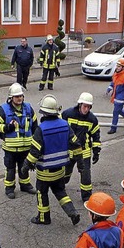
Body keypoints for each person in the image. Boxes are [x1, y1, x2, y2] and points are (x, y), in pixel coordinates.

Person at [20, 95, 82, 225]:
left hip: (45, 172)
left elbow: (34, 152)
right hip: (60, 170)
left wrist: (26, 165)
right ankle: (72, 213)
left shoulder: (41, 129)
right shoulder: (65, 125)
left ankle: (43, 218)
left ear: (43, 112)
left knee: (41, 193)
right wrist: (77, 161)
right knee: (60, 192)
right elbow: (76, 145)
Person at [0, 83, 38, 199]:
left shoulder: (28, 108)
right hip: (10, 148)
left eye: (21, 96)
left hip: (26, 147)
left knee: (24, 167)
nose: (19, 98)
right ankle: (9, 188)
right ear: (11, 98)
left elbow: (35, 126)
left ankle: (25, 185)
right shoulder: (4, 109)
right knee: (10, 169)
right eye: (17, 96)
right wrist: (8, 127)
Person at [62, 92, 101, 202]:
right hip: (69, 151)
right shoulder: (67, 114)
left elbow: (96, 136)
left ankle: (86, 197)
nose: (86, 109)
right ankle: (61, 187)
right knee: (65, 172)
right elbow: (60, 129)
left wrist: (96, 152)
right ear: (80, 104)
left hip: (84, 152)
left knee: (86, 176)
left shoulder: (92, 119)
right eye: (85, 106)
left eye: (89, 107)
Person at [106, 58, 124, 135]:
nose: (117, 67)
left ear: (122, 67)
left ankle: (113, 128)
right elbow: (113, 82)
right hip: (116, 96)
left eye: (119, 66)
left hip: (121, 98)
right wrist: (109, 88)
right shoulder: (116, 74)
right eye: (117, 65)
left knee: (115, 112)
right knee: (118, 110)